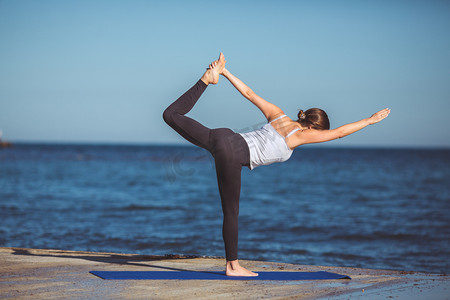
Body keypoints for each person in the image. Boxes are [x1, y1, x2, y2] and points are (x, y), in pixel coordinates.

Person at [163, 53, 390, 276]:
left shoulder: (279, 115)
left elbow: (250, 94)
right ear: (313, 128)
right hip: (232, 153)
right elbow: (339, 133)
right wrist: (369, 121)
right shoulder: (301, 135)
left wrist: (225, 72)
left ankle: (206, 79)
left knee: (170, 114)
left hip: (222, 136)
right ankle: (232, 266)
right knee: (231, 212)